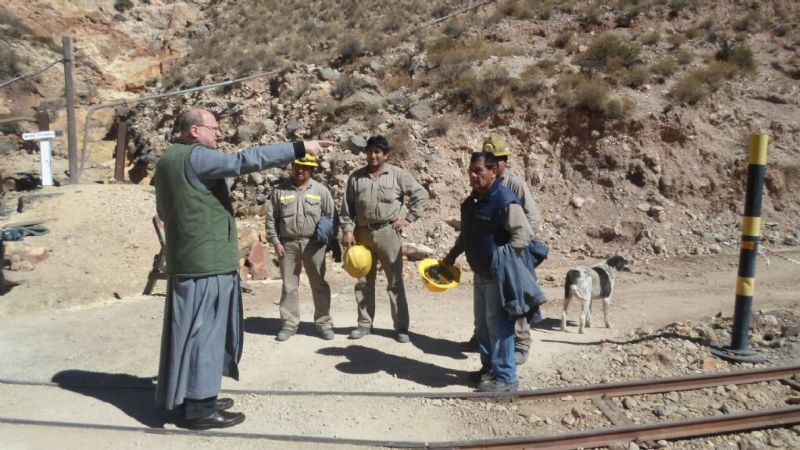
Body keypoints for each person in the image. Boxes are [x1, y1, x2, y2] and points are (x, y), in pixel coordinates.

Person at [153, 107, 332, 430]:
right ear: (194, 131)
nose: (219, 135)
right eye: (214, 128)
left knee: (188, 334)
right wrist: (298, 147)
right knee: (207, 333)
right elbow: (243, 160)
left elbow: (164, 209)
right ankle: (201, 408)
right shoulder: (197, 156)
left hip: (186, 260)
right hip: (207, 264)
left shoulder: (168, 160)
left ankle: (190, 395)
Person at [443, 151, 533, 393]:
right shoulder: (472, 202)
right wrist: (452, 256)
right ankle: (489, 369)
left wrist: (502, 262)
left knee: (499, 326)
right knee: (483, 325)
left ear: (493, 172)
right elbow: (467, 235)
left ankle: (506, 378)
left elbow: (523, 234)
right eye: (470, 171)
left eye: (478, 171)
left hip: (498, 276)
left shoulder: (504, 200)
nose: (473, 176)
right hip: (480, 273)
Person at [464, 135, 546, 366]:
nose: (496, 163)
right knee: (487, 307)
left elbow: (532, 219)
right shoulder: (482, 186)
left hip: (514, 254)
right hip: (493, 257)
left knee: (514, 302)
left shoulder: (513, 185)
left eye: (499, 159)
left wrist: (511, 249)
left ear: (504, 162)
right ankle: (483, 339)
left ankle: (521, 344)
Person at [339, 135, 428, 343]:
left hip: (388, 233)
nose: (373, 155)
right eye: (370, 151)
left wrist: (409, 218)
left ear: (385, 155)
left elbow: (421, 194)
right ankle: (364, 324)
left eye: (378, 151)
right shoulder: (356, 178)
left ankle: (401, 328)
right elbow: (346, 209)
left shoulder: (397, 175)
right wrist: (347, 230)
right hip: (362, 234)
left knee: (395, 282)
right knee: (363, 281)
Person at [266, 154, 336, 342]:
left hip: (314, 244)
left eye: (305, 167)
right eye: (297, 166)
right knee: (289, 286)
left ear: (312, 169)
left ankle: (324, 323)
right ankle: (289, 324)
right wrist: (276, 242)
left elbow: (330, 215)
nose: (300, 170)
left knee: (319, 284)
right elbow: (271, 219)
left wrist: (329, 238)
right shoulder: (280, 191)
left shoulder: (321, 191)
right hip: (287, 245)